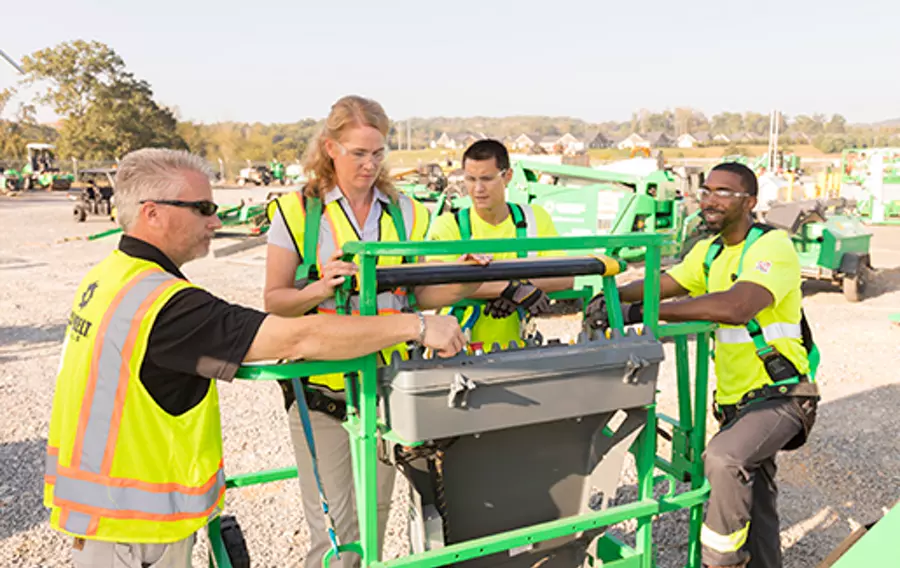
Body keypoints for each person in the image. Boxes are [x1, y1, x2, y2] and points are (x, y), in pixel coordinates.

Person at [44, 148, 466, 568]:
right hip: (135, 535)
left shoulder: (111, 276)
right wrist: (418, 327)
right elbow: (296, 338)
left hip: (109, 521)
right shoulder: (164, 305)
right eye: (203, 208)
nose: (215, 221)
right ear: (152, 213)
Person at [264, 95, 483, 568]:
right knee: (334, 530)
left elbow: (417, 297)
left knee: (374, 519)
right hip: (321, 389)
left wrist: (461, 280)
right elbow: (274, 300)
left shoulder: (406, 213)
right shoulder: (297, 212)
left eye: (377, 153)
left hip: (384, 389)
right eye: (358, 153)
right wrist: (319, 287)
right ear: (329, 148)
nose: (369, 164)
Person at [586, 161, 819, 568]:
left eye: (723, 192)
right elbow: (667, 282)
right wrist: (613, 297)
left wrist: (644, 311)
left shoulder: (771, 247)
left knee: (725, 459)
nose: (709, 199)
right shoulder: (709, 252)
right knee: (757, 505)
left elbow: (737, 306)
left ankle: (719, 562)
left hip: (782, 396)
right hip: (736, 404)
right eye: (707, 190)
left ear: (750, 202)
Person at [427, 139, 573, 351]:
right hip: (458, 351)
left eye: (487, 179)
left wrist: (518, 287)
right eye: (470, 179)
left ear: (508, 177)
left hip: (520, 349)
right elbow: (437, 283)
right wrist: (510, 289)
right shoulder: (449, 225)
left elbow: (566, 276)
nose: (477, 189)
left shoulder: (535, 218)